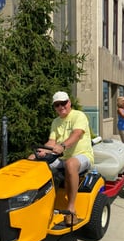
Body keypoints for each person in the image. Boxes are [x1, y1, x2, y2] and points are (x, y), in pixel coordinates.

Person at [29, 91, 94, 226]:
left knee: (70, 164)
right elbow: (51, 142)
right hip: (62, 158)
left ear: (69, 102)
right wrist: (42, 151)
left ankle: (71, 208)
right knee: (32, 159)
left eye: (63, 103)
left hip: (82, 156)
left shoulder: (79, 116)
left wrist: (63, 145)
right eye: (57, 105)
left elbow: (76, 134)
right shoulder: (55, 122)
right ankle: (31, 202)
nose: (61, 107)